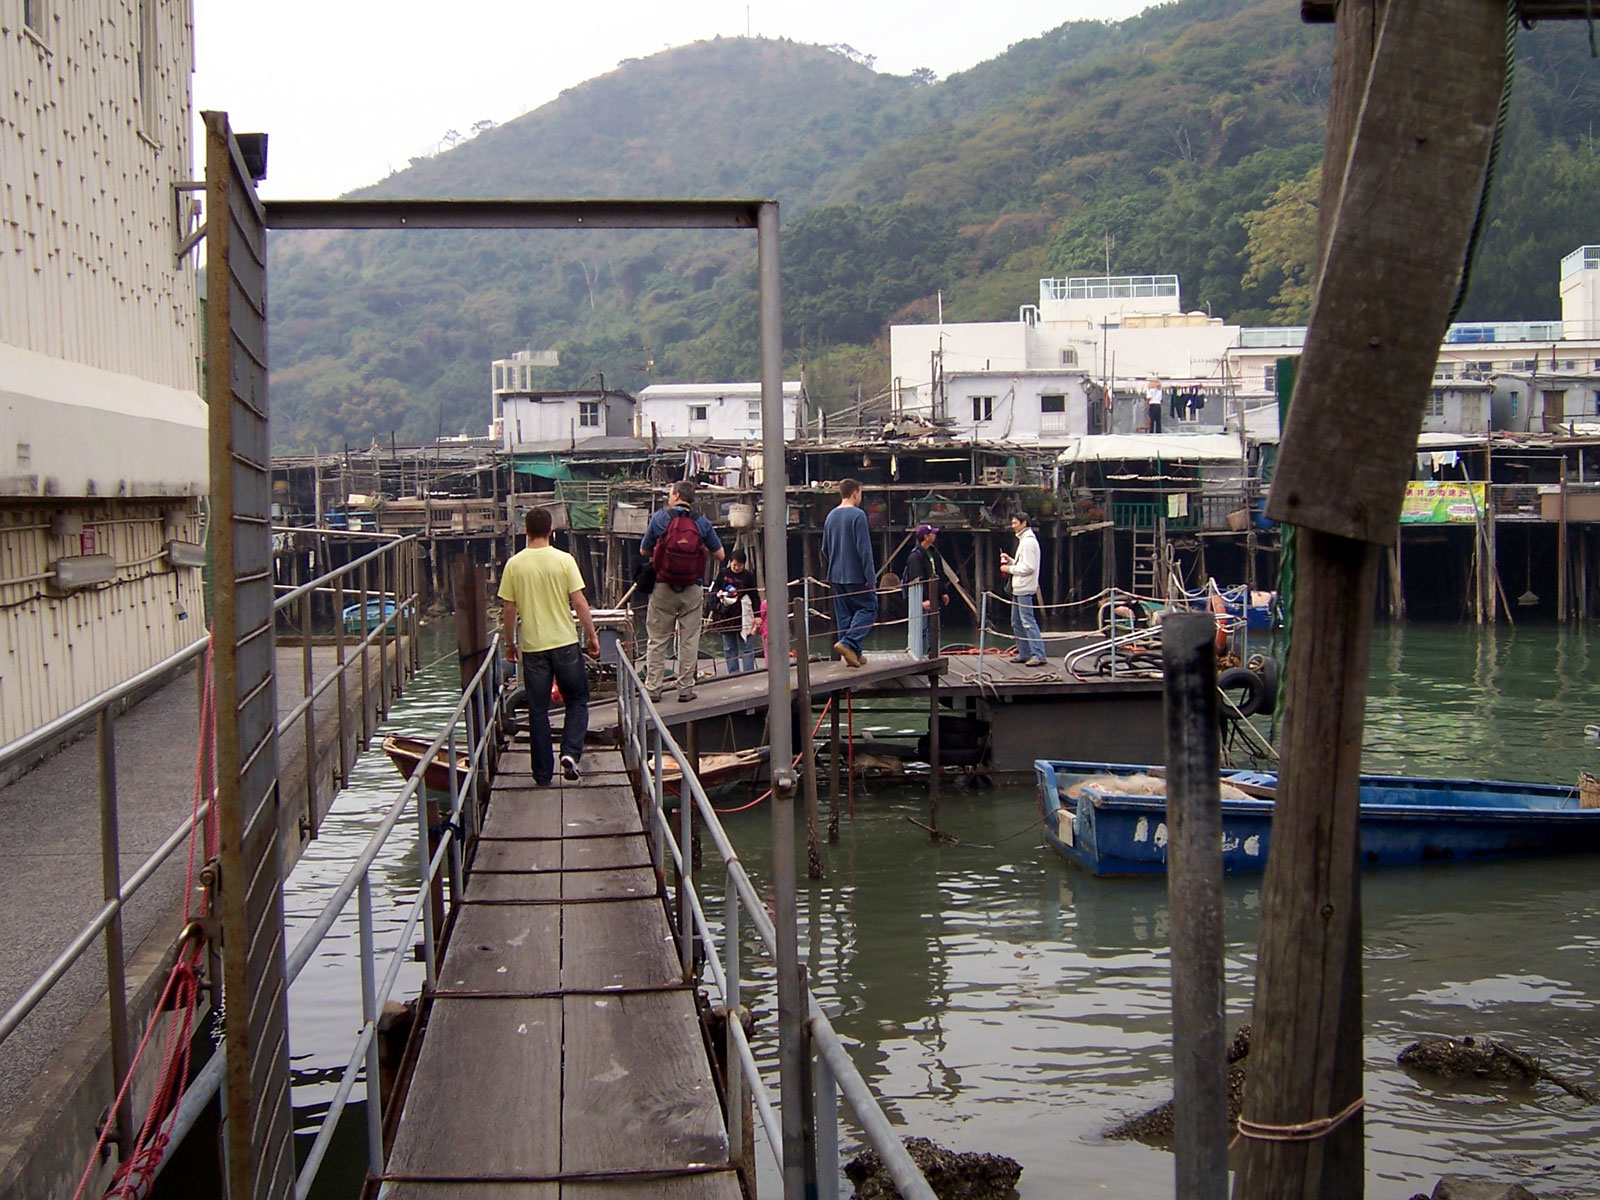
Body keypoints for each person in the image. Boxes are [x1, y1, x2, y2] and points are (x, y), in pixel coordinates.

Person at [499, 506, 601, 785]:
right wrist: (592, 636)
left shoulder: (514, 564)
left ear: (526, 532)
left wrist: (510, 643)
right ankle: (570, 752)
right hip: (566, 642)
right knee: (577, 701)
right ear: (551, 532)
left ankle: (542, 774)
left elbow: (509, 609)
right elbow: (579, 602)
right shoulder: (564, 560)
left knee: (538, 710)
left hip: (533, 647)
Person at [640, 479, 724, 702]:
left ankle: (653, 689)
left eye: (670, 492)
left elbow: (643, 550)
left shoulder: (660, 518)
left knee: (657, 640)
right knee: (689, 640)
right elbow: (721, 555)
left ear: (677, 495)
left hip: (663, 586)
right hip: (692, 587)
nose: (669, 496)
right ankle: (685, 689)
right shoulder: (701, 522)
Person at [821, 478, 876, 667]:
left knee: (844, 613)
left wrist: (835, 564)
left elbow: (824, 550)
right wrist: (870, 577)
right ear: (855, 493)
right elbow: (864, 550)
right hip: (856, 574)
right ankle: (848, 643)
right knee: (869, 607)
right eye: (860, 493)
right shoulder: (858, 515)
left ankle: (853, 653)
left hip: (836, 574)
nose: (861, 497)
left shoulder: (830, 516)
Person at [1000, 510, 1048, 667]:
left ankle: (1038, 654)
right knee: (1017, 622)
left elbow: (1029, 567)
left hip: (1025, 587)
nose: (1012, 526)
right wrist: (1012, 561)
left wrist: (1009, 569)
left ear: (1024, 523)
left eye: (1015, 523)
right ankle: (1025, 652)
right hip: (1018, 587)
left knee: (1027, 621)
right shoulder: (1024, 541)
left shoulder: (1028, 542)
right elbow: (1023, 564)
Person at [710, 549, 759, 675]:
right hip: (726, 615)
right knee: (729, 647)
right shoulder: (723, 573)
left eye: (740, 565)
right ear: (730, 562)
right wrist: (716, 602)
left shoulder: (748, 576)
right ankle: (733, 673)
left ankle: (749, 673)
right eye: (734, 564)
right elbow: (715, 590)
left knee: (747, 647)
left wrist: (757, 615)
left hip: (743, 614)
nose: (737, 568)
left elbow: (754, 596)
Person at [902, 524, 948, 659]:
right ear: (926, 537)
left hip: (934, 595)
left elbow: (940, 573)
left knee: (934, 627)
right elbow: (916, 579)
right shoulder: (915, 556)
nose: (935, 535)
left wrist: (943, 592)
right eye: (932, 533)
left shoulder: (934, 552)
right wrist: (922, 600)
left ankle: (933, 653)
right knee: (921, 628)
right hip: (924, 598)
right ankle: (920, 655)